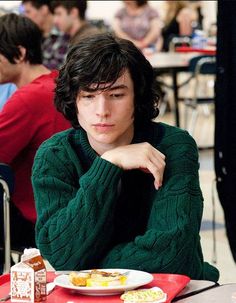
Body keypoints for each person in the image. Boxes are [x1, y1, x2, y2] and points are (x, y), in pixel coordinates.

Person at [32, 33, 219, 281]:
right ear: (74, 101)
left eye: (116, 95)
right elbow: (62, 255)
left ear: (137, 97)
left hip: (175, 292)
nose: (102, 111)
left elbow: (172, 255)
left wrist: (86, 267)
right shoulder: (54, 155)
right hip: (88, 297)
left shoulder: (173, 145)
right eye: (88, 96)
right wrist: (109, 164)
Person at [0, 13, 70, 271]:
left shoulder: (28, 98)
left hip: (34, 217)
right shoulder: (57, 83)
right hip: (64, 209)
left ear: (19, 53)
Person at [21, 0, 69, 70]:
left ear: (44, 10)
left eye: (28, 12)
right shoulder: (33, 34)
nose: (25, 17)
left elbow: (58, 71)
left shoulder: (64, 34)